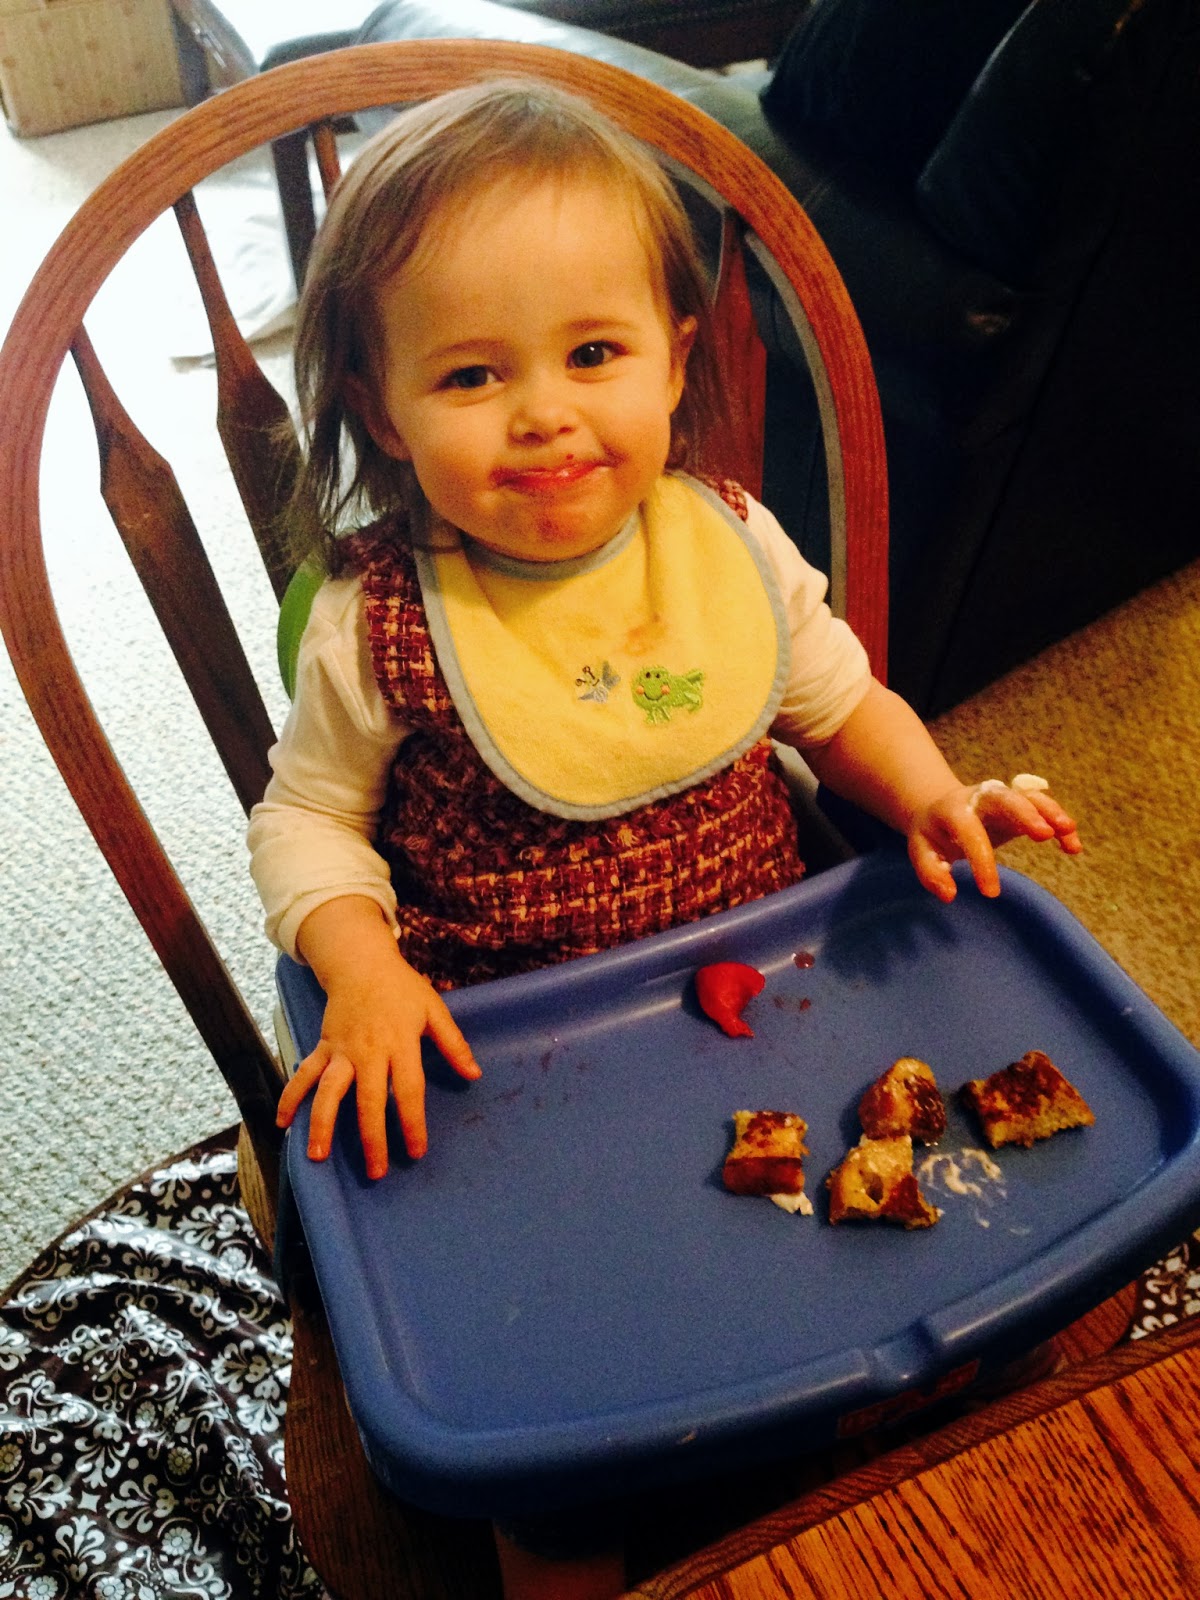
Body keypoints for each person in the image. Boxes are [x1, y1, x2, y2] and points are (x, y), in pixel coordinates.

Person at [247, 78, 1080, 1599]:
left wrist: (934, 797)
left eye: (593, 354)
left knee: (966, 1260)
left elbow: (842, 705)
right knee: (542, 1419)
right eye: (473, 374)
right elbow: (306, 818)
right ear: (381, 408)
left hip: (775, 1004)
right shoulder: (380, 624)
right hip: (513, 1060)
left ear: (676, 357)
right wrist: (360, 970)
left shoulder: (727, 543)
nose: (546, 412)